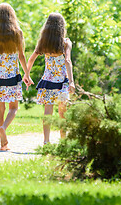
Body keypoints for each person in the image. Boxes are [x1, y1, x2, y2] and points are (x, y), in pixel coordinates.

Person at [0, 3, 32, 151]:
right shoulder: (18, 33)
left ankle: (3, 143)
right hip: (12, 77)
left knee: (0, 109)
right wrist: (26, 74)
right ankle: (4, 127)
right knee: (14, 108)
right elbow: (22, 56)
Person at [27, 12, 75, 144]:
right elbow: (68, 61)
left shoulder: (43, 43)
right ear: (62, 27)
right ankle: (63, 140)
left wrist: (27, 74)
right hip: (62, 82)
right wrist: (71, 82)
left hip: (47, 81)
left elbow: (31, 60)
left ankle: (46, 141)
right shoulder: (65, 43)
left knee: (47, 112)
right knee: (63, 113)